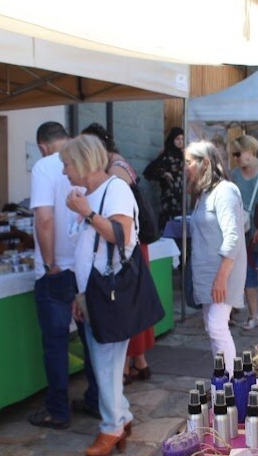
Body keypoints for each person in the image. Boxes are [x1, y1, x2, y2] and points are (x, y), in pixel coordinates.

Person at [62, 134, 135, 456]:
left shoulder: (114, 189)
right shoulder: (92, 193)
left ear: (82, 163)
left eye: (67, 164)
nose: (64, 171)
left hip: (109, 291)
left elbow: (121, 234)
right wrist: (80, 296)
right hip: (93, 291)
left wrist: (87, 212)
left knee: (106, 362)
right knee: (102, 358)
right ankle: (122, 418)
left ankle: (111, 427)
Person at [27, 122, 99, 430]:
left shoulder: (43, 167)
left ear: (43, 146)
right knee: (91, 338)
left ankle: (57, 409)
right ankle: (97, 400)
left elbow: (44, 218)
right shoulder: (91, 165)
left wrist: (49, 263)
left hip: (57, 269)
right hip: (84, 265)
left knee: (55, 341)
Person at [82, 123, 154, 384]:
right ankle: (139, 362)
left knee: (126, 306)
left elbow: (120, 226)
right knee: (130, 306)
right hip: (131, 244)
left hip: (125, 248)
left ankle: (125, 368)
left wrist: (88, 214)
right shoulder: (119, 164)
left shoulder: (114, 170)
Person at [186, 141, 246, 364]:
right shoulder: (203, 193)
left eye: (189, 162)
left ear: (206, 163)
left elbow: (233, 236)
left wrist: (221, 277)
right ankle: (222, 379)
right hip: (207, 272)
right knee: (212, 328)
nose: (185, 167)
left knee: (217, 327)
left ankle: (229, 382)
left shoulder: (225, 191)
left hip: (223, 272)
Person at [228, 135, 258, 330]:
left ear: (250, 151)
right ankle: (253, 315)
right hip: (243, 231)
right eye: (234, 154)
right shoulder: (234, 175)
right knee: (246, 274)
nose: (236, 158)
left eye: (238, 153)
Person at [144, 127, 185, 228]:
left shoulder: (183, 155)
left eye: (182, 139)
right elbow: (149, 171)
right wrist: (164, 174)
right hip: (169, 196)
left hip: (181, 195)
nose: (180, 142)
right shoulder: (166, 155)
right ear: (172, 140)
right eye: (177, 139)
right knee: (168, 221)